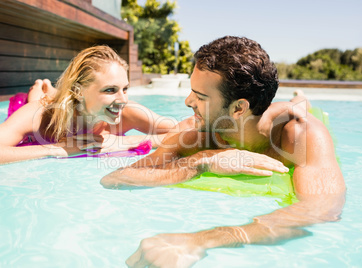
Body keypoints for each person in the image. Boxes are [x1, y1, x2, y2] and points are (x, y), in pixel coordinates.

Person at [100, 36, 346, 268]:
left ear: (238, 108)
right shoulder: (193, 134)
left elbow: (321, 210)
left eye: (200, 96)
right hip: (251, 116)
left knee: (300, 106)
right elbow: (115, 179)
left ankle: (301, 98)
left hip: (287, 113)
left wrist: (202, 240)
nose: (187, 101)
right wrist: (202, 161)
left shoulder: (298, 134)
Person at [0, 46, 176, 167]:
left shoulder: (128, 111)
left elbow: (185, 130)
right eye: (110, 90)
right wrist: (55, 149)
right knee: (37, 98)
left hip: (73, 104)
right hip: (36, 107)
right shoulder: (41, 115)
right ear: (79, 91)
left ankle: (52, 88)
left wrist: (126, 140)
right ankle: (44, 86)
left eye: (125, 88)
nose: (122, 99)